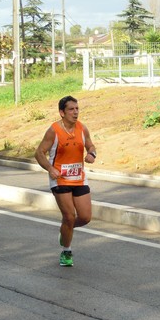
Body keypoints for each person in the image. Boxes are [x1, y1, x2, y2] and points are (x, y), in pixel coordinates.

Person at [34, 95, 96, 267]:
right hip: (60, 179)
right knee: (69, 216)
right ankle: (66, 251)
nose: (75, 112)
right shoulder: (54, 130)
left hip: (79, 178)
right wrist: (50, 168)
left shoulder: (82, 129)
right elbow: (39, 153)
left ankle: (65, 230)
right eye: (71, 109)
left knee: (84, 217)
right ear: (62, 112)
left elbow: (91, 145)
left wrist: (91, 154)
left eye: (77, 109)